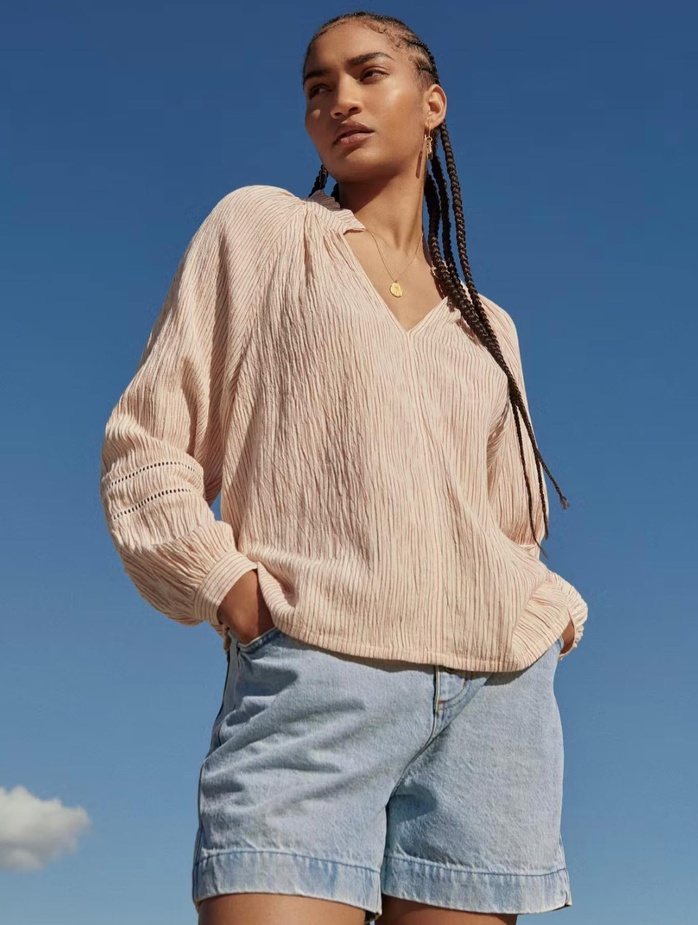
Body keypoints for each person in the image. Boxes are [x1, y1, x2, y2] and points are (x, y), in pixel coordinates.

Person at [99, 11, 588, 925]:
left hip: (491, 706)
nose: (339, 100)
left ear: (432, 103)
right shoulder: (261, 232)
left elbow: (515, 524)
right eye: (317, 87)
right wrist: (226, 585)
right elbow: (148, 443)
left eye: (368, 74)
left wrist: (548, 608)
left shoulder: (489, 325)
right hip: (313, 680)